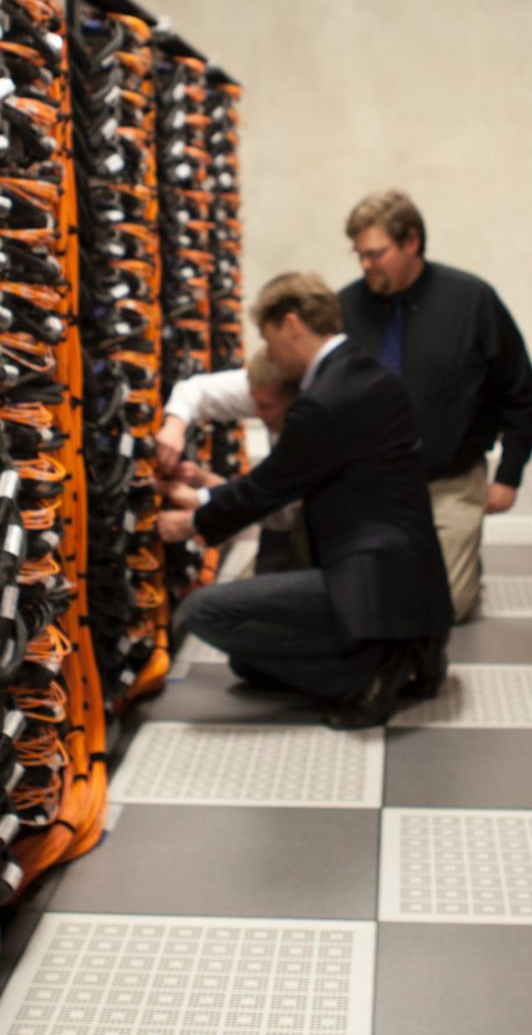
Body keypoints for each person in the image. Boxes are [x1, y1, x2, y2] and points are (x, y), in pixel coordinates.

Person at [155, 272, 452, 728]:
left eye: (269, 338)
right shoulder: (363, 373)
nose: (268, 353)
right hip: (407, 576)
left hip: (371, 576)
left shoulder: (325, 400)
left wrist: (192, 521)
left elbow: (268, 487)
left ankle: (375, 668)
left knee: (204, 611)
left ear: (291, 323)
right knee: (248, 664)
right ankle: (404, 647)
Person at [341, 189, 532, 623]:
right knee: (341, 592)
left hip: (450, 483)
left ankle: (449, 558)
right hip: (366, 485)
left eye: (376, 254)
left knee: (443, 605)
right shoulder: (346, 308)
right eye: (360, 255)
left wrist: (509, 474)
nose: (366, 266)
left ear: (411, 242)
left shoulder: (472, 302)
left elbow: (520, 391)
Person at [158, 350, 310, 572]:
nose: (257, 413)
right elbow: (196, 390)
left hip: (308, 540)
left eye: (265, 407)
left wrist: (198, 509)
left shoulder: (311, 430)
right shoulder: (268, 383)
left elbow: (281, 510)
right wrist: (175, 425)